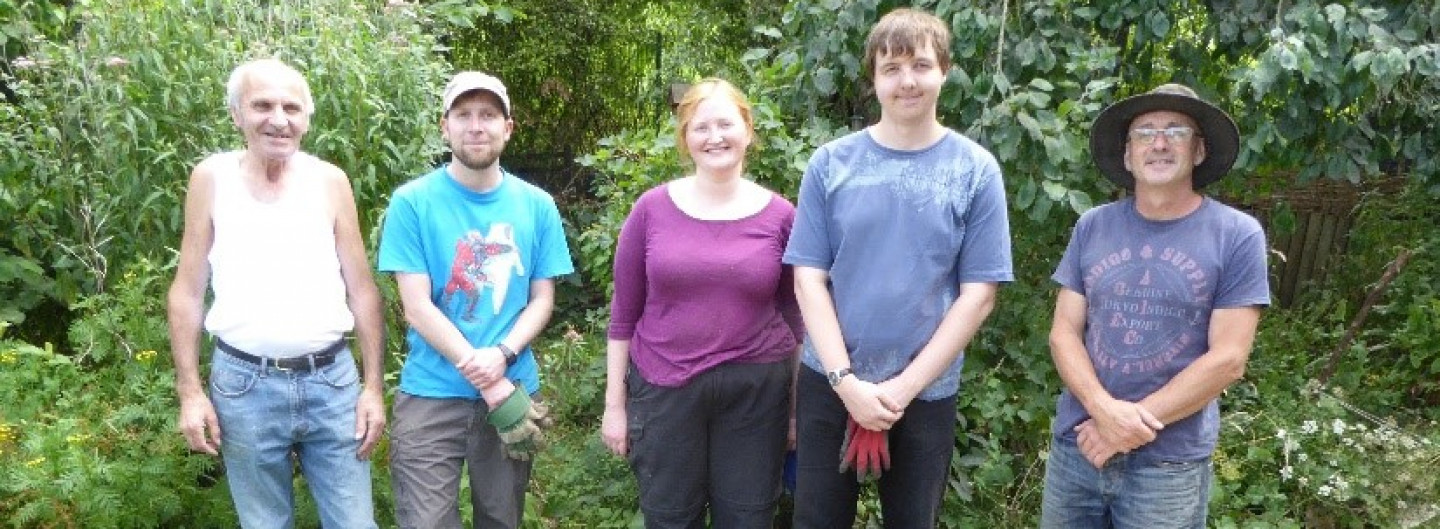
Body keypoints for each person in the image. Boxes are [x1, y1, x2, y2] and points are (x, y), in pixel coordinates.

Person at [781, 8, 1014, 528]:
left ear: (944, 72)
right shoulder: (831, 163)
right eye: (892, 68)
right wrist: (847, 383)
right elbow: (808, 279)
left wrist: (902, 389)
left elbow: (979, 295)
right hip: (831, 382)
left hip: (925, 392)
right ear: (874, 78)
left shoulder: (975, 170)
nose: (907, 81)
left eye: (922, 65)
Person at [1039, 83, 1270, 528]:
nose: (1159, 143)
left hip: (1167, 466)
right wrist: (1103, 411)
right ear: (1127, 155)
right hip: (1078, 449)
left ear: (1199, 150)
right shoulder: (1093, 226)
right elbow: (1064, 332)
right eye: (1144, 132)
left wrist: (1123, 429)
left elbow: (1228, 359)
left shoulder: (1237, 235)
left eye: (1175, 131)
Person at [168, 58, 386, 529]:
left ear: (307, 117)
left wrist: (372, 388)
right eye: (262, 105)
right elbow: (187, 291)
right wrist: (190, 391)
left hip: (333, 384)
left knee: (355, 524)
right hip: (243, 386)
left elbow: (363, 291)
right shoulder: (211, 179)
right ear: (236, 115)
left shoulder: (329, 181)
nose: (279, 119)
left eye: (292, 107)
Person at [599, 78, 804, 528]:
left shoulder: (782, 216)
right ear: (685, 138)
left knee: (749, 519)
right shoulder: (650, 210)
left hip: (756, 393)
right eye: (700, 126)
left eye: (725, 124)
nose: (715, 137)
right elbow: (623, 317)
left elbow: (797, 318)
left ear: (748, 130)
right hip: (665, 389)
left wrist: (794, 410)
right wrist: (616, 405)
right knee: (670, 519)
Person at [377, 71, 574, 529]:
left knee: (502, 519)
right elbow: (417, 306)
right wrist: (483, 373)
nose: (475, 126)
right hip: (432, 391)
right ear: (444, 126)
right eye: (463, 115)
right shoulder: (412, 203)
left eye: (488, 115)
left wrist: (503, 356)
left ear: (508, 128)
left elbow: (542, 298)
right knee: (424, 522)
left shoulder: (537, 205)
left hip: (513, 388)